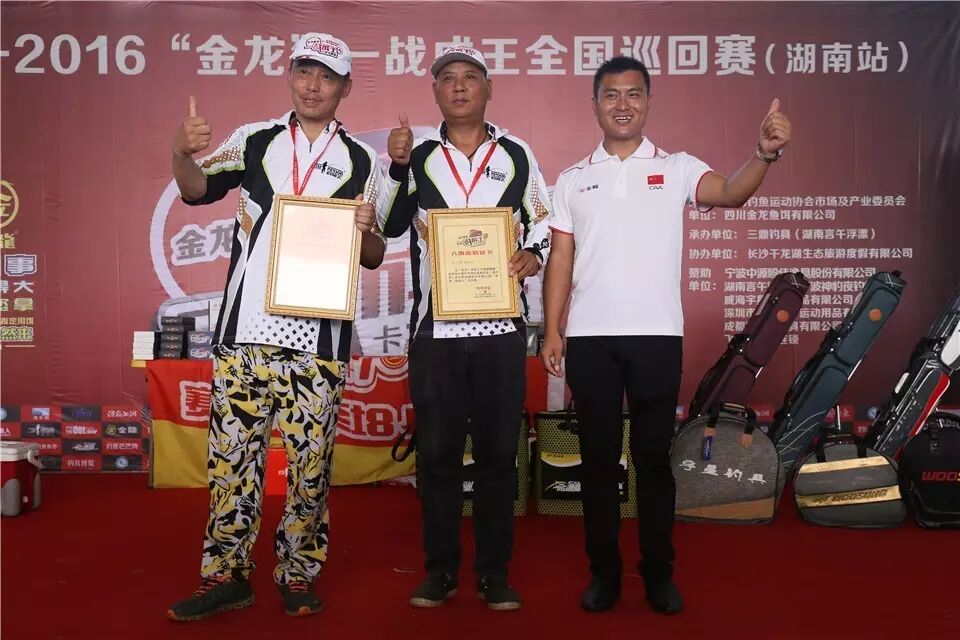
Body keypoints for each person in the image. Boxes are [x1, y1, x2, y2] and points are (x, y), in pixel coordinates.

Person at [541, 56, 791, 614]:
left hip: (656, 338)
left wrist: (764, 154)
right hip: (591, 340)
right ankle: (604, 575)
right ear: (595, 104)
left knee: (653, 461)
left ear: (649, 102)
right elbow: (560, 259)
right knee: (598, 462)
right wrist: (553, 330)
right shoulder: (573, 179)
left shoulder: (676, 167)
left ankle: (658, 574)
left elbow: (731, 192)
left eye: (633, 94)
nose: (622, 104)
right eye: (611, 94)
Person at [166, 32, 385, 621]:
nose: (313, 86)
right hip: (245, 331)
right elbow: (196, 189)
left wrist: (366, 227)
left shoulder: (364, 162)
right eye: (304, 72)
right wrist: (181, 153)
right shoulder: (254, 139)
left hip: (320, 339)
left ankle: (297, 572)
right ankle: (226, 576)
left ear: (345, 87)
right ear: (290, 76)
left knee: (311, 466)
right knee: (231, 461)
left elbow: (371, 255)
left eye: (327, 76)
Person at [377, 46, 551, 611]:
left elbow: (545, 221)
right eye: (447, 78)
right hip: (436, 333)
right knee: (437, 458)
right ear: (435, 91)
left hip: (501, 330)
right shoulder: (419, 157)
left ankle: (495, 573)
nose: (458, 87)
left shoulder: (517, 154)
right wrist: (396, 167)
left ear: (488, 88)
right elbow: (388, 225)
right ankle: (441, 571)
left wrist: (533, 253)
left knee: (499, 457)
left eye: (470, 77)